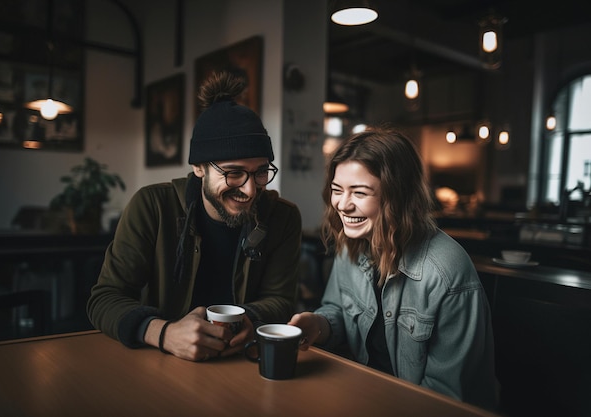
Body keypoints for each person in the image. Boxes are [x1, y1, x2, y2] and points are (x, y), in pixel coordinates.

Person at [88, 71, 302, 362]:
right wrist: (163, 333)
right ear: (199, 167)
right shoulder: (153, 206)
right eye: (233, 172)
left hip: (243, 365)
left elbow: (281, 300)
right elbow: (105, 298)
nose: (250, 190)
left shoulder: (282, 217)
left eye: (261, 172)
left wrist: (249, 319)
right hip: (160, 362)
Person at [288, 125, 497, 410]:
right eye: (337, 190)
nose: (343, 204)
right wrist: (319, 324)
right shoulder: (351, 246)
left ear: (397, 197)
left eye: (359, 193)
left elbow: (444, 399)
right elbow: (337, 310)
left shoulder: (448, 273)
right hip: (364, 396)